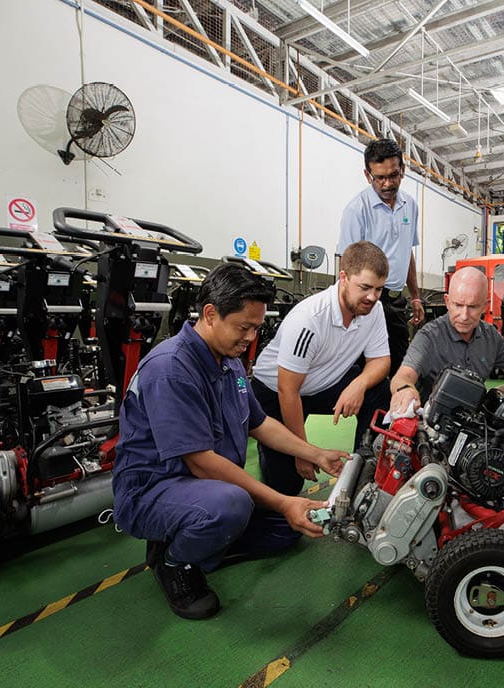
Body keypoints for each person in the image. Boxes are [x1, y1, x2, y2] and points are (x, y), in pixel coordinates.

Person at [112, 263, 347, 621]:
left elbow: (260, 423)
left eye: (256, 328)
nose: (251, 337)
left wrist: (316, 452)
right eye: (244, 327)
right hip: (151, 490)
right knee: (234, 504)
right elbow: (201, 462)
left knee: (286, 532)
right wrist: (283, 501)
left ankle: (205, 533)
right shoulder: (172, 369)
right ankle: (173, 561)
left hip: (202, 488)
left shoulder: (229, 360)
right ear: (210, 314)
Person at [251, 241, 391, 495]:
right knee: (287, 486)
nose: (372, 296)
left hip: (322, 384)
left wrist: (357, 384)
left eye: (379, 289)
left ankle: (365, 467)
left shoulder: (374, 309)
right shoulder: (310, 318)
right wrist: (304, 453)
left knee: (379, 389)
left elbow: (381, 361)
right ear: (344, 278)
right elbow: (287, 390)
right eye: (365, 287)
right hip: (276, 393)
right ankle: (271, 460)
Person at [390, 266, 504, 468]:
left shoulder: (490, 336)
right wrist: (406, 390)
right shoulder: (429, 336)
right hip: (435, 426)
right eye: (458, 305)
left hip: (477, 420)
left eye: (473, 307)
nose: (464, 315)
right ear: (447, 302)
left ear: (485, 306)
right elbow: (403, 377)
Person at [337, 138, 424, 377]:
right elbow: (346, 262)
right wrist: (345, 309)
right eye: (379, 178)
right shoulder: (357, 209)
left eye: (393, 175)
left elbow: (408, 253)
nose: (387, 184)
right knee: (367, 369)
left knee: (399, 364)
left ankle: (393, 413)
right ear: (367, 175)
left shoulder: (410, 206)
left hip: (395, 302)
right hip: (366, 301)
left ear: (402, 171)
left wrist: (415, 297)